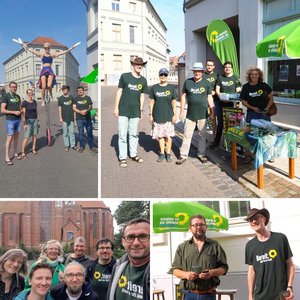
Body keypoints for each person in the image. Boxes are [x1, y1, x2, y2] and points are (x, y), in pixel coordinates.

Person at [171, 214, 228, 300]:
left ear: (206, 227)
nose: (199, 227)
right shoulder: (182, 247)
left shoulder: (215, 245)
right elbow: (174, 270)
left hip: (208, 295)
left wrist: (211, 273)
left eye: (201, 224)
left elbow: (224, 268)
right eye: (195, 225)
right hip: (188, 295)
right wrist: (186, 275)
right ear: (190, 228)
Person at [245, 208, 295, 300]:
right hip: (260, 296)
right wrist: (250, 296)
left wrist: (289, 287)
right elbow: (251, 272)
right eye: (250, 220)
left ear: (264, 219)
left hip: (282, 294)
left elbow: (290, 265)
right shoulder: (250, 245)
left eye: (256, 217)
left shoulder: (280, 238)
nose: (253, 221)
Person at [176, 62, 215, 165]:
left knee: (202, 135)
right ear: (193, 71)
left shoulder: (207, 83)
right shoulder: (187, 82)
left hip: (203, 114)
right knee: (187, 135)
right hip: (190, 114)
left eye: (199, 71)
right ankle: (183, 155)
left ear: (202, 72)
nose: (197, 73)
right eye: (195, 71)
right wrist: (181, 111)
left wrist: (212, 112)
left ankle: (201, 154)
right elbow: (183, 97)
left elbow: (210, 98)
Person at [113, 56, 148, 168]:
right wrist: (116, 107)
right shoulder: (125, 77)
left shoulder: (143, 80)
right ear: (133, 65)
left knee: (133, 134)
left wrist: (141, 110)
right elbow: (119, 91)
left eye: (141, 64)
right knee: (122, 134)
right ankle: (123, 157)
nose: (139, 66)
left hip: (135, 111)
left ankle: (133, 154)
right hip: (123, 110)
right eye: (137, 64)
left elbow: (142, 95)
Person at [106, 218, 150, 300]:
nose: (136, 243)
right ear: (123, 242)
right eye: (130, 237)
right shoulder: (117, 267)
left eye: (143, 236)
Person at [22, 42, 75, 106]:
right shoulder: (41, 54)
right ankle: (43, 100)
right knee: (44, 87)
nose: (46, 49)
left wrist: (69, 49)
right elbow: (32, 51)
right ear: (44, 48)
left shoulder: (52, 55)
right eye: (45, 48)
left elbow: (61, 53)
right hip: (44, 70)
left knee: (49, 85)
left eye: (47, 48)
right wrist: (26, 47)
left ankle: (51, 93)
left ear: (49, 48)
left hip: (50, 70)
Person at [240, 67, 275, 163]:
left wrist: (267, 108)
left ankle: (269, 155)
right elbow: (243, 101)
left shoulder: (264, 86)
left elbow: (271, 98)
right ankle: (249, 155)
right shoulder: (246, 87)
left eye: (256, 74)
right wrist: (252, 108)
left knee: (267, 134)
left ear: (259, 75)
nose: (254, 76)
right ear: (249, 76)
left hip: (264, 114)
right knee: (250, 134)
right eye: (252, 74)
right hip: (252, 114)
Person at [210, 61, 241, 149]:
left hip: (232, 105)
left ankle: (231, 143)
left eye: (229, 67)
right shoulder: (220, 78)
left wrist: (232, 99)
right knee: (220, 123)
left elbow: (238, 90)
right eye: (226, 67)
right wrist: (222, 98)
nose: (227, 68)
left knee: (231, 123)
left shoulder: (236, 78)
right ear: (224, 69)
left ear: (232, 68)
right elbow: (217, 90)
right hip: (220, 104)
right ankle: (216, 142)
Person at [149, 68, 177, 162]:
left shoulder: (171, 88)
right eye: (161, 75)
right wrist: (150, 114)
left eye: (165, 75)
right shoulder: (155, 88)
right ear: (159, 76)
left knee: (168, 136)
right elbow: (152, 102)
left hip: (168, 116)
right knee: (160, 136)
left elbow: (174, 102)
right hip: (157, 116)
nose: (163, 76)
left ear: (167, 76)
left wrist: (174, 114)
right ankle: (161, 153)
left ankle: (168, 154)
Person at [1, 81, 22, 165]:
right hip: (10, 120)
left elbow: (19, 107)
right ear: (9, 87)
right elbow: (2, 110)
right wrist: (14, 112)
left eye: (15, 87)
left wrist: (22, 111)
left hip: (18, 120)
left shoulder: (18, 96)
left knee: (16, 137)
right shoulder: (6, 96)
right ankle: (7, 157)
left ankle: (15, 153)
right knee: (9, 138)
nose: (14, 88)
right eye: (12, 87)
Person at [73, 86, 98, 153]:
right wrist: (80, 112)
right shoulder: (76, 99)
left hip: (87, 118)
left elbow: (90, 107)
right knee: (80, 133)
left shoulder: (88, 98)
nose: (79, 91)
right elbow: (74, 108)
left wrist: (86, 110)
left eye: (81, 90)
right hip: (79, 119)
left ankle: (92, 146)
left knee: (89, 133)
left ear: (83, 90)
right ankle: (81, 146)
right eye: (78, 90)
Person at [58, 85, 78, 151]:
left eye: (65, 89)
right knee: (65, 133)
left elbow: (74, 107)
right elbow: (60, 108)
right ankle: (66, 145)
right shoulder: (60, 98)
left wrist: (75, 116)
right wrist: (60, 117)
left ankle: (73, 145)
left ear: (68, 90)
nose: (64, 90)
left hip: (71, 117)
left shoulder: (71, 97)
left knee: (72, 132)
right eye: (63, 89)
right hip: (64, 118)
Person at [21, 88, 39, 158]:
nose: (30, 94)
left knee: (34, 135)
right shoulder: (24, 103)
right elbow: (23, 114)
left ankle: (33, 149)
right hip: (28, 121)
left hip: (35, 120)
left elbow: (36, 111)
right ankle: (23, 151)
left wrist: (39, 119)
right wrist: (24, 124)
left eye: (31, 93)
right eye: (29, 93)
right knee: (27, 137)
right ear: (27, 94)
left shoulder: (34, 101)